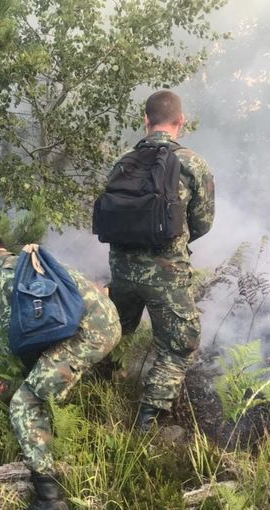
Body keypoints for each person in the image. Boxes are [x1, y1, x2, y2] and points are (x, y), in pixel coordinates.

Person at [0, 231, 121, 510]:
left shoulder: (4, 280)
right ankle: (57, 445)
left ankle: (51, 505)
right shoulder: (29, 260)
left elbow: (20, 345)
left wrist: (23, 385)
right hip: (107, 322)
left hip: (88, 336)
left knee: (25, 402)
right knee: (42, 387)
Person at [107, 89, 215, 430]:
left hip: (122, 267)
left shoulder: (122, 160)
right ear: (181, 121)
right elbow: (203, 221)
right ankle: (147, 421)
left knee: (115, 330)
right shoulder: (192, 163)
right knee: (179, 346)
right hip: (167, 272)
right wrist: (171, 241)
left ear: (146, 121)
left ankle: (104, 382)